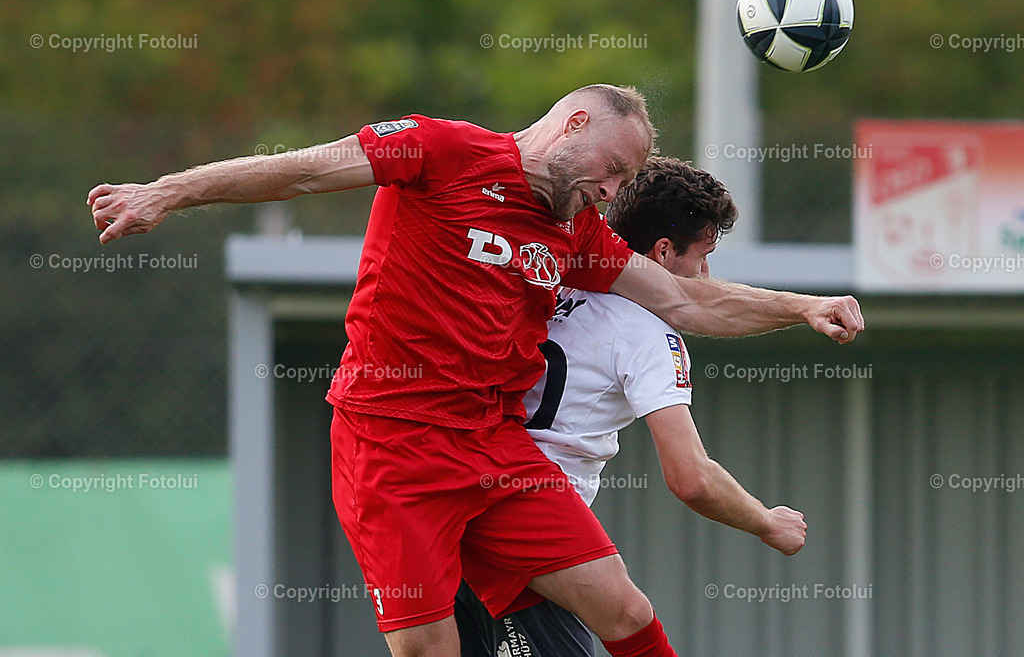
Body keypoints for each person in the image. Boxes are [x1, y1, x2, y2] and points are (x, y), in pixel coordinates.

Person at [88, 84, 863, 657]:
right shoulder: (441, 150)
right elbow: (302, 171)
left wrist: (800, 306)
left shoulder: (576, 229)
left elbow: (685, 303)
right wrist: (166, 191)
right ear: (573, 123)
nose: (615, 191)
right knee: (431, 651)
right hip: (391, 443)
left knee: (625, 611)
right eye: (615, 169)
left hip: (495, 446)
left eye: (626, 182)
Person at [455, 157, 808, 657]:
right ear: (663, 253)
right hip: (535, 539)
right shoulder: (646, 333)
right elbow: (691, 478)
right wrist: (767, 523)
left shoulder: (551, 281)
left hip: (457, 513)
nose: (707, 274)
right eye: (702, 256)